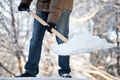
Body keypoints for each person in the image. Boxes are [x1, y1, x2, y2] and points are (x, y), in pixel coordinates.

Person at [17, 0, 73, 78]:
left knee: (61, 38)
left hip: (62, 5)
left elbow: (57, 3)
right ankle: (31, 70)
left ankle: (65, 71)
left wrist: (52, 21)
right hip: (42, 5)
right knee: (35, 39)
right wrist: (25, 2)